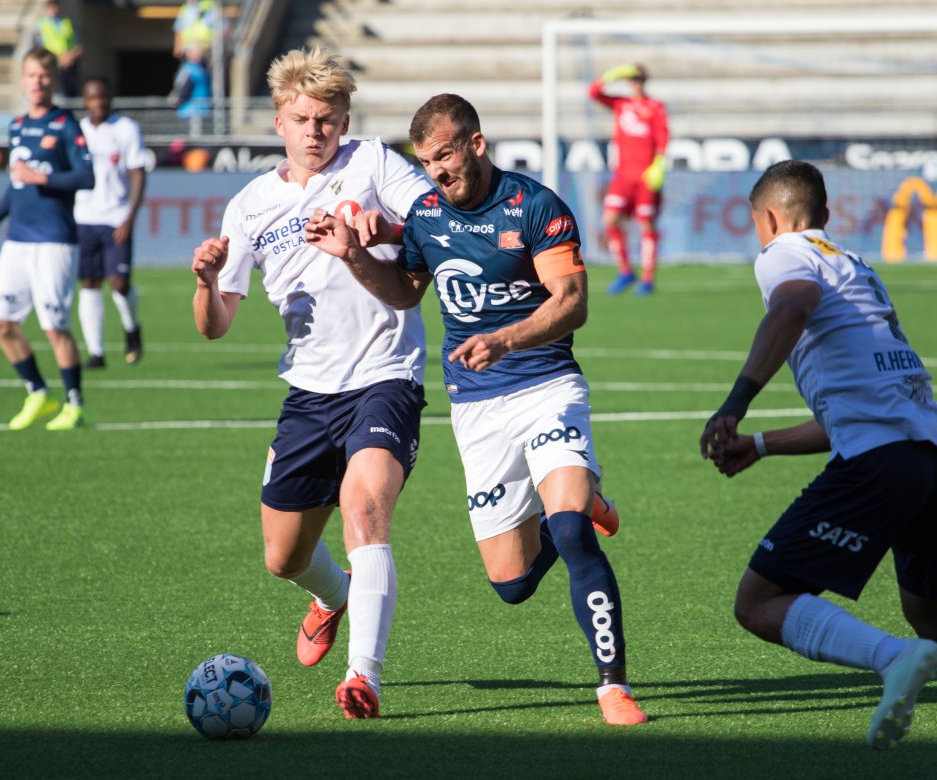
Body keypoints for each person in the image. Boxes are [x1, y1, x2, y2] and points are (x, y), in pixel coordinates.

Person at [699, 160, 937, 779]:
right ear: (826, 215)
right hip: (935, 460)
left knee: (759, 602)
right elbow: (858, 409)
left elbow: (793, 304)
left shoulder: (784, 254)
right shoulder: (856, 268)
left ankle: (891, 658)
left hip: (883, 465)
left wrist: (735, 403)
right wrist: (761, 445)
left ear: (770, 219)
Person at [304, 93, 646, 726]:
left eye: (443, 156)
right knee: (511, 584)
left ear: (476, 145)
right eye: (425, 162)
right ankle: (578, 505)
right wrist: (353, 255)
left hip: (547, 386)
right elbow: (405, 292)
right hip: (477, 407)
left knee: (573, 534)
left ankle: (613, 687)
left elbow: (572, 302)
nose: (435, 172)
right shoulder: (427, 216)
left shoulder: (535, 205)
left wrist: (506, 340)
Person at [190, 46, 431, 720]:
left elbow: (436, 219)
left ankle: (363, 677)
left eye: (327, 120)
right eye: (302, 119)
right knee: (283, 557)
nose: (315, 131)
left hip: (386, 376)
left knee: (365, 509)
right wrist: (206, 283)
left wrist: (382, 228)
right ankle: (333, 595)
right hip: (308, 392)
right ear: (279, 124)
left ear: (344, 122)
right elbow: (215, 326)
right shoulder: (250, 206)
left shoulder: (372, 163)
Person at [0, 46, 94, 431]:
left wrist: (42, 177)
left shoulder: (65, 124)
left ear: (53, 80)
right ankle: (38, 391)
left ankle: (74, 404)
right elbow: (16, 181)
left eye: (43, 75)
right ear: (22, 80)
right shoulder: (17, 126)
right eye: (31, 75)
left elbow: (86, 176)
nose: (37, 82)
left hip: (54, 240)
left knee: (54, 326)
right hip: (17, 240)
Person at [75, 76, 147, 368]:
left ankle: (131, 328)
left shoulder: (126, 129)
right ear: (85, 101)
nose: (99, 103)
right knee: (89, 283)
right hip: (83, 218)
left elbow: (138, 173)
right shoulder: (77, 131)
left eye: (103, 97)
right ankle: (96, 352)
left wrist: (130, 217)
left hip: (116, 217)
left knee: (118, 282)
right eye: (93, 98)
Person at [588, 63, 668, 296]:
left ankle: (648, 278)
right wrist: (611, 75)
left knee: (646, 223)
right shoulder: (621, 104)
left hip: (645, 177)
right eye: (632, 79)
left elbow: (663, 137)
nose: (635, 84)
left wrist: (659, 163)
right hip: (623, 177)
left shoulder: (655, 107)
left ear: (645, 81)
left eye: (639, 79)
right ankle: (625, 271)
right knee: (610, 220)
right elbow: (594, 92)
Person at [32, 0, 81, 98]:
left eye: (54, 4)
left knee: (70, 93)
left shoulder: (67, 23)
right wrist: (57, 58)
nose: (52, 8)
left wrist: (70, 56)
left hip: (68, 66)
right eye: (50, 5)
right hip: (51, 65)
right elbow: (37, 48)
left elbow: (79, 44)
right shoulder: (40, 25)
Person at [169, 44, 211, 135]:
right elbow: (181, 89)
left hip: (202, 111)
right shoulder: (188, 69)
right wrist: (177, 102)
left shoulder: (201, 68)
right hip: (189, 112)